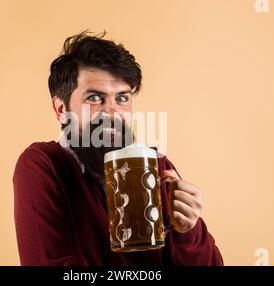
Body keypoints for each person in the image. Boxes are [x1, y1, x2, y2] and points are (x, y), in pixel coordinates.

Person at [13, 31, 223, 266]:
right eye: (94, 98)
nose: (112, 113)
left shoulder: (155, 165)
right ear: (61, 109)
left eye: (122, 99)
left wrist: (188, 231)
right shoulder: (44, 164)